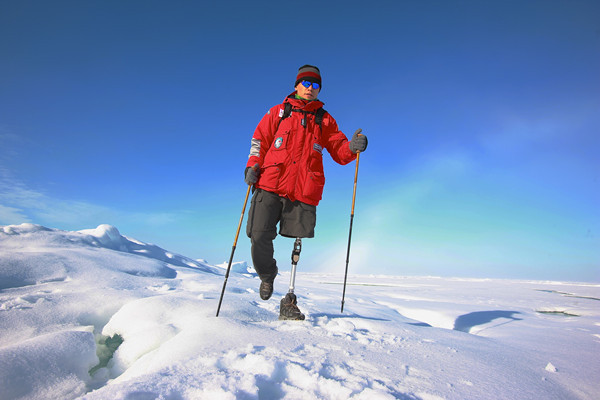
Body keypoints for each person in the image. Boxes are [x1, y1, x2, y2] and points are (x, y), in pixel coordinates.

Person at [244, 64, 368, 320]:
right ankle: (267, 275)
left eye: (316, 85)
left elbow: (338, 148)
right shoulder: (278, 112)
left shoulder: (324, 119)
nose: (311, 89)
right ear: (297, 85)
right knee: (258, 235)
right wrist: (252, 166)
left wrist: (353, 148)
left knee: (296, 241)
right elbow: (259, 141)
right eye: (306, 83)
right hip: (270, 182)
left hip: (303, 190)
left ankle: (289, 299)